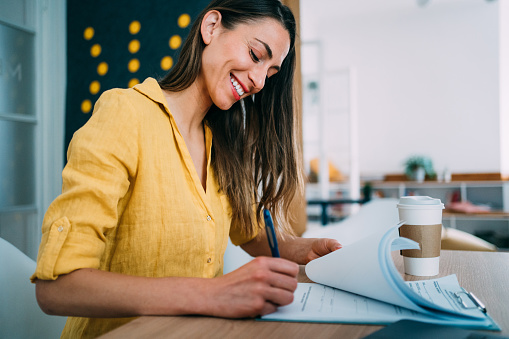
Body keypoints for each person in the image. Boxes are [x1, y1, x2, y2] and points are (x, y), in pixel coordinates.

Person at [32, 0, 342, 337]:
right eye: (255, 55)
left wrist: (305, 250)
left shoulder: (222, 143)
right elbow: (58, 287)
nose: (258, 82)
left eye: (270, 73)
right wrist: (214, 294)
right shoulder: (125, 114)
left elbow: (249, 231)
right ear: (211, 27)